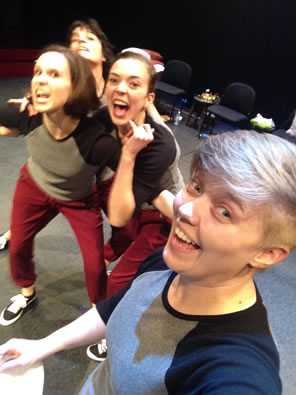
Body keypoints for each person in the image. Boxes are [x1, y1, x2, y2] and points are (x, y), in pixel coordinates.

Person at [1, 130, 295, 394]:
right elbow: (114, 310)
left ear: (267, 253)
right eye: (195, 186)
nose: (186, 210)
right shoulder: (168, 262)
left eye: (225, 212)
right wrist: (44, 345)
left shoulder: (234, 369)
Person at [0, 44, 121, 325]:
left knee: (94, 265)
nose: (40, 78)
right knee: (17, 246)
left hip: (79, 199)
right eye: (38, 71)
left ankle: (98, 314)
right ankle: (26, 292)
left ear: (75, 87)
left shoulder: (96, 140)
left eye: (54, 74)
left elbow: (137, 179)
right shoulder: (26, 114)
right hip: (34, 186)